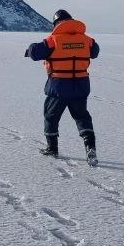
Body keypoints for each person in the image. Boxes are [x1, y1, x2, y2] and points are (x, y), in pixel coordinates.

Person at [25, 9, 100, 166]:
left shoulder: (53, 40)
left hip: (59, 86)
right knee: (82, 117)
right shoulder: (87, 40)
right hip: (80, 85)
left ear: (57, 23)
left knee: (51, 116)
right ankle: (90, 148)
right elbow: (95, 52)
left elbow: (35, 53)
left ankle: (52, 149)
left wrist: (30, 48)